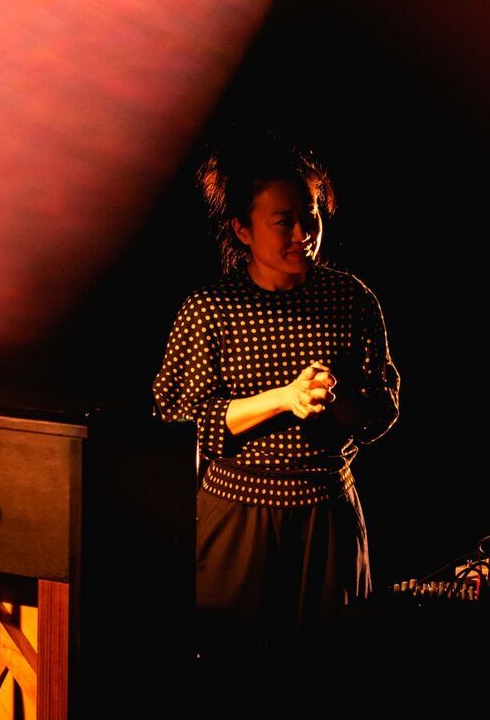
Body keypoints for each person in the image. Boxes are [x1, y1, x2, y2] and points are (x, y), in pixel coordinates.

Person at [151, 131, 400, 654]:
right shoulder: (211, 310)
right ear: (242, 230)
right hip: (236, 520)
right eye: (283, 221)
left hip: (328, 517)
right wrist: (284, 397)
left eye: (311, 216)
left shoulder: (351, 299)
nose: (303, 234)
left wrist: (333, 398)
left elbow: (381, 409)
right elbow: (176, 421)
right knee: (232, 665)